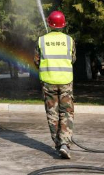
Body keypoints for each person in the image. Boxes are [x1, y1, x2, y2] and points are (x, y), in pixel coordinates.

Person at [34, 11, 76, 159]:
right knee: (67, 112)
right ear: (63, 24)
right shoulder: (69, 40)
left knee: (52, 113)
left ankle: (58, 144)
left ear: (49, 24)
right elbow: (73, 59)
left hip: (48, 82)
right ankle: (65, 144)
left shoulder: (41, 41)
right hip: (65, 82)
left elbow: (36, 61)